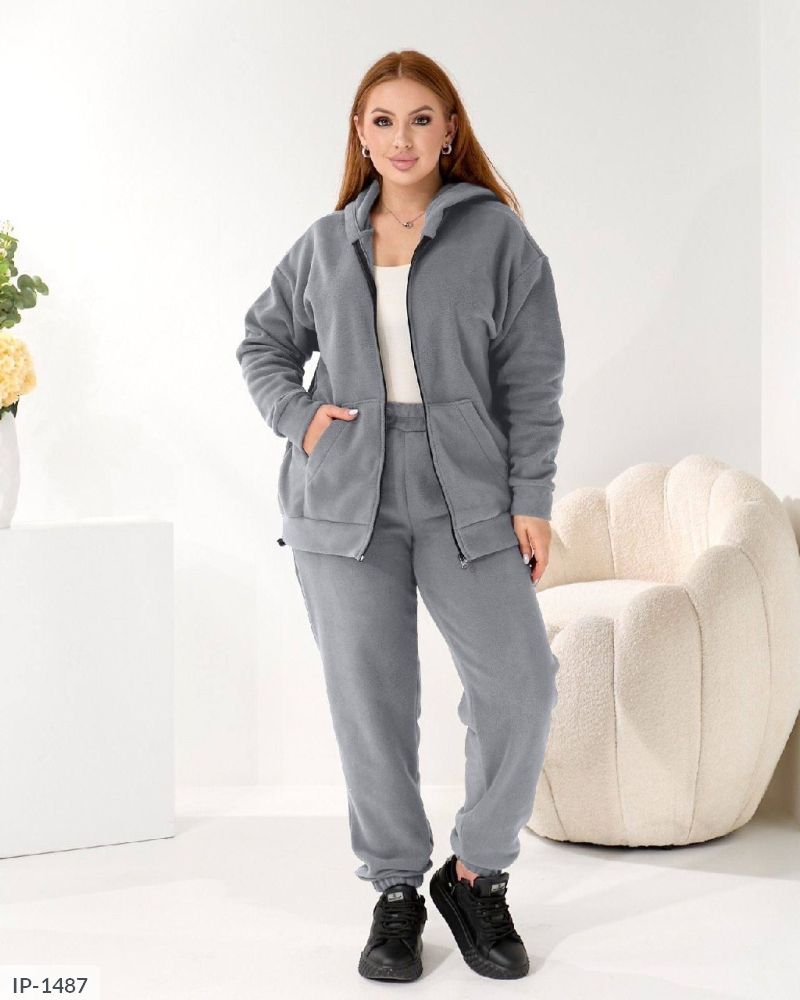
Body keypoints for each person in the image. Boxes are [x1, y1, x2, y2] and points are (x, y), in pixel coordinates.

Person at [235, 49, 565, 983]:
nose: (403, 137)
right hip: (345, 497)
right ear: (360, 133)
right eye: (383, 120)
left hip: (468, 496)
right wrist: (300, 418)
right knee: (370, 704)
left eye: (421, 118)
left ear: (451, 129)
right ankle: (394, 890)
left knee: (522, 685)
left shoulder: (498, 238)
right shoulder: (323, 244)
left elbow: (533, 381)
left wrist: (532, 499)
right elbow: (262, 344)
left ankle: (476, 871)